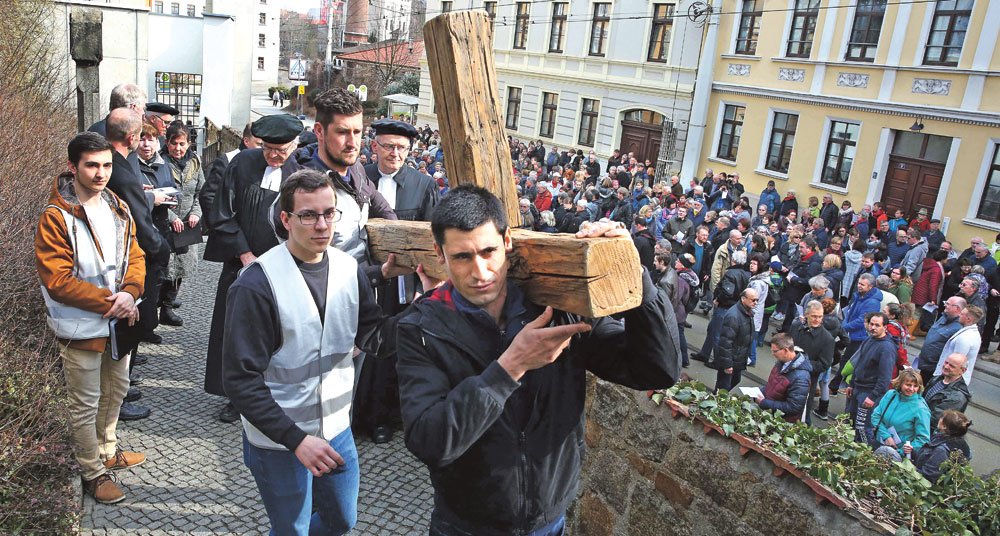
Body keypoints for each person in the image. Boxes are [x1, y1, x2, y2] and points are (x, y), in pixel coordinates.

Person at [395, 185, 680, 535]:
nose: (481, 272)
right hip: (466, 523)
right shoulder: (422, 328)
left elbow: (657, 370)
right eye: (462, 257)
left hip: (547, 519)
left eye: (488, 251)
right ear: (441, 254)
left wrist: (633, 272)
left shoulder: (557, 310)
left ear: (507, 241)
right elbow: (429, 441)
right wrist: (510, 366)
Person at [222, 169, 408, 536]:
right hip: (279, 439)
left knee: (343, 519)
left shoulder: (348, 268)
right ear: (286, 220)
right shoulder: (257, 285)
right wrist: (296, 440)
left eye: (329, 213)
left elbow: (375, 338)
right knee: (292, 529)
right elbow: (240, 382)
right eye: (309, 215)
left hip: (336, 427)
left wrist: (425, 310)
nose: (322, 225)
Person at [35, 132, 147, 504]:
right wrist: (112, 302)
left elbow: (136, 255)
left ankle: (108, 449)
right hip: (81, 326)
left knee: (115, 392)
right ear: (73, 167)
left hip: (119, 322)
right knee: (85, 402)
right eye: (92, 165)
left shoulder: (117, 206)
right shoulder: (55, 217)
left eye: (107, 165)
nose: (101, 173)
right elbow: (58, 281)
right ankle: (92, 472)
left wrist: (131, 293)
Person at [204, 113, 307, 422]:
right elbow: (222, 211)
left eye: (282, 149)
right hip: (242, 264)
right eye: (268, 149)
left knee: (277, 331)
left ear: (294, 145)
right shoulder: (243, 164)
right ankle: (237, 397)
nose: (274, 156)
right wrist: (244, 253)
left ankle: (274, 395)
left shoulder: (301, 171)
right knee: (236, 331)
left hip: (285, 267)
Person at [358, 118, 440, 444]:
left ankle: (382, 417)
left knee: (392, 351)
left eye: (402, 148)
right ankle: (352, 412)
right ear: (374, 145)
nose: (396, 153)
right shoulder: (358, 177)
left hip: (402, 285)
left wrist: (424, 290)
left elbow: (433, 243)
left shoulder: (423, 185)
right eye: (389, 146)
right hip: (363, 275)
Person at [105, 108, 168, 421]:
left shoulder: (113, 163)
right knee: (129, 327)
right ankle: (120, 398)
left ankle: (122, 388)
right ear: (131, 137)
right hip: (130, 261)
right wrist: (161, 248)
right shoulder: (120, 169)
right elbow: (138, 222)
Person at [159, 123, 204, 328]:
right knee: (163, 268)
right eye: (174, 143)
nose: (178, 148)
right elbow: (154, 196)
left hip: (186, 225)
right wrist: (170, 217)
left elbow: (200, 193)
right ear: (167, 143)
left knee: (181, 268)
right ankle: (155, 307)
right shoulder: (159, 163)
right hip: (163, 223)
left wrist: (195, 213)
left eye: (182, 144)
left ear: (189, 143)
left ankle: (167, 308)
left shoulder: (195, 163)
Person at [845, 311, 897, 444]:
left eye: (877, 325)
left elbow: (885, 378)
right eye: (871, 324)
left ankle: (863, 453)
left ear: (885, 327)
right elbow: (859, 364)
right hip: (857, 388)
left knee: (863, 427)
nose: (873, 327)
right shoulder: (868, 339)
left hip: (869, 393)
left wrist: (873, 397)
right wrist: (851, 384)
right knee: (849, 422)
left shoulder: (886, 348)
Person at [693, 250, 749, 363]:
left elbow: (728, 291)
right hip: (732, 306)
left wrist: (718, 299)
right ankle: (704, 353)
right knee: (712, 329)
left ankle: (717, 361)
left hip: (724, 306)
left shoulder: (731, 273)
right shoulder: (745, 274)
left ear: (733, 260)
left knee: (717, 333)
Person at [830, 273, 883, 393]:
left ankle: (835, 386)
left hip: (858, 336)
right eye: (859, 283)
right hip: (850, 333)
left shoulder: (872, 302)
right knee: (841, 356)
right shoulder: (860, 296)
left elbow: (861, 320)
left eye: (862, 285)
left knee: (847, 361)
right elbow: (850, 311)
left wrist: (844, 327)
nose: (859, 286)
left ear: (870, 287)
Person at [870, 369, 931, 462]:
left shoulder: (921, 409)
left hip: (898, 454)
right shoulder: (891, 395)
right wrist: (887, 436)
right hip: (879, 443)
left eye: (915, 386)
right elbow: (875, 416)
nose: (911, 389)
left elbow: (923, 438)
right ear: (900, 383)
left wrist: (902, 451)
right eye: (908, 385)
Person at [790, 302, 834, 424]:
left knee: (802, 416)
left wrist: (802, 363)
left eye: (820, 316)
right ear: (806, 314)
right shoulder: (796, 326)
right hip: (788, 374)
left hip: (807, 380)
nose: (817, 319)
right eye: (814, 316)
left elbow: (824, 364)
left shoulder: (827, 339)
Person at [755, 332, 812, 422]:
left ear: (786, 350)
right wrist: (760, 393)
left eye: (775, 351)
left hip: (781, 422)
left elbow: (794, 408)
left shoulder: (801, 377)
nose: (772, 354)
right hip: (770, 416)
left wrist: (765, 403)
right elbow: (773, 385)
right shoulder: (780, 363)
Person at [712, 287, 757, 392]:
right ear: (743, 299)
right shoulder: (734, 316)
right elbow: (725, 342)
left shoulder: (747, 313)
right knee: (723, 387)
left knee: (735, 380)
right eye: (753, 300)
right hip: (731, 359)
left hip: (738, 358)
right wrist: (727, 364)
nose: (755, 303)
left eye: (757, 300)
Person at [912, 410, 972, 484]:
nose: (939, 419)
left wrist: (906, 468)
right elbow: (927, 459)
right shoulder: (959, 444)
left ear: (944, 426)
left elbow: (927, 477)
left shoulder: (941, 450)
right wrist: (913, 453)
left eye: (941, 418)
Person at [933, 305, 985, 384]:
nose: (959, 315)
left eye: (962, 314)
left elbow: (956, 363)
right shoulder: (971, 333)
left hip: (951, 381)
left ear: (968, 319)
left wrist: (944, 381)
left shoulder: (965, 338)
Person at [924, 353, 971, 427]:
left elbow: (937, 420)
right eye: (946, 362)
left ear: (962, 370)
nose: (946, 366)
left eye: (952, 366)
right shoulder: (937, 379)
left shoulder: (957, 396)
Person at [912, 249, 948, 335]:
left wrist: (946, 274)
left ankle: (916, 330)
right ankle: (909, 332)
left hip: (920, 291)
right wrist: (933, 299)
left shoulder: (932, 266)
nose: (948, 259)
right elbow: (933, 284)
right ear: (943, 259)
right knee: (918, 313)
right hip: (925, 295)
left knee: (919, 313)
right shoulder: (937, 269)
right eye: (947, 258)